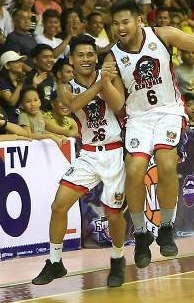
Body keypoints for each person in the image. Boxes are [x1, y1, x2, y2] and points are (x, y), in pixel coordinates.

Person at [101, 0, 194, 268]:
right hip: (138, 117)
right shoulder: (113, 56)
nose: (120, 28)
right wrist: (105, 81)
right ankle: (141, 233)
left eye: (125, 21)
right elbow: (118, 105)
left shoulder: (161, 34)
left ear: (138, 20)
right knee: (134, 171)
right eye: (115, 24)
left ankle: (167, 227)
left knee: (166, 163)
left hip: (168, 111)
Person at [32, 35, 129, 287]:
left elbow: (119, 106)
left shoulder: (111, 76)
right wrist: (101, 82)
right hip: (88, 153)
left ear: (95, 57)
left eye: (90, 54)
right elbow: (75, 104)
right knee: (58, 206)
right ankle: (55, 262)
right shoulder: (65, 88)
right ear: (72, 60)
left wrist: (106, 80)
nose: (86, 59)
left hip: (115, 151)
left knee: (113, 214)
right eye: (81, 55)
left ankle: (117, 259)